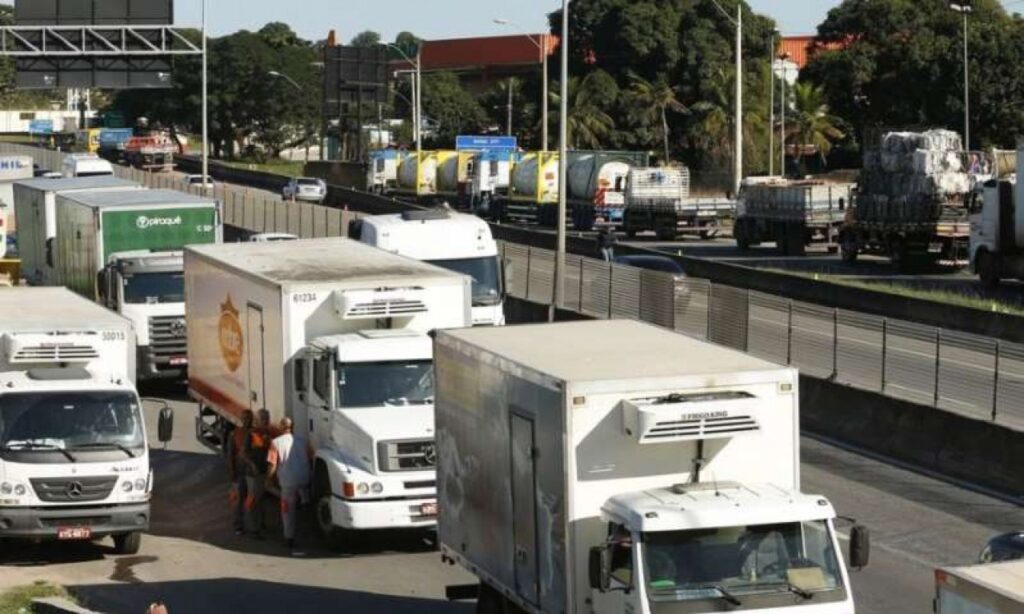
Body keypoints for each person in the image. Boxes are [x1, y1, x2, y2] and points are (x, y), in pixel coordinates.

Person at [266, 417, 313, 553]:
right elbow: (310, 457)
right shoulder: (303, 441)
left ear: (281, 427)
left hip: (288, 482)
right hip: (304, 478)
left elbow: (273, 464)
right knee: (305, 503)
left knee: (287, 510)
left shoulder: (276, 443)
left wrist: (268, 479)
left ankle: (289, 538)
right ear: (292, 427)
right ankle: (308, 530)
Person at [243, 410, 271, 538]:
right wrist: (253, 466)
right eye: (263, 419)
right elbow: (243, 453)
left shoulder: (267, 434)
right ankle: (253, 528)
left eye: (267, 418)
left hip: (263, 472)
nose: (266, 421)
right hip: (253, 473)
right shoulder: (252, 434)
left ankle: (260, 524)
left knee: (261, 500)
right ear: (257, 420)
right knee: (253, 500)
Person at [226, 410, 254, 536]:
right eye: (245, 418)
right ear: (242, 419)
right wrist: (232, 471)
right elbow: (230, 454)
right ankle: (239, 525)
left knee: (255, 499)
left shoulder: (255, 433)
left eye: (249, 418)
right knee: (240, 499)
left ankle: (256, 525)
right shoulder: (235, 434)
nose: (247, 420)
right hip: (241, 471)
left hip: (253, 473)